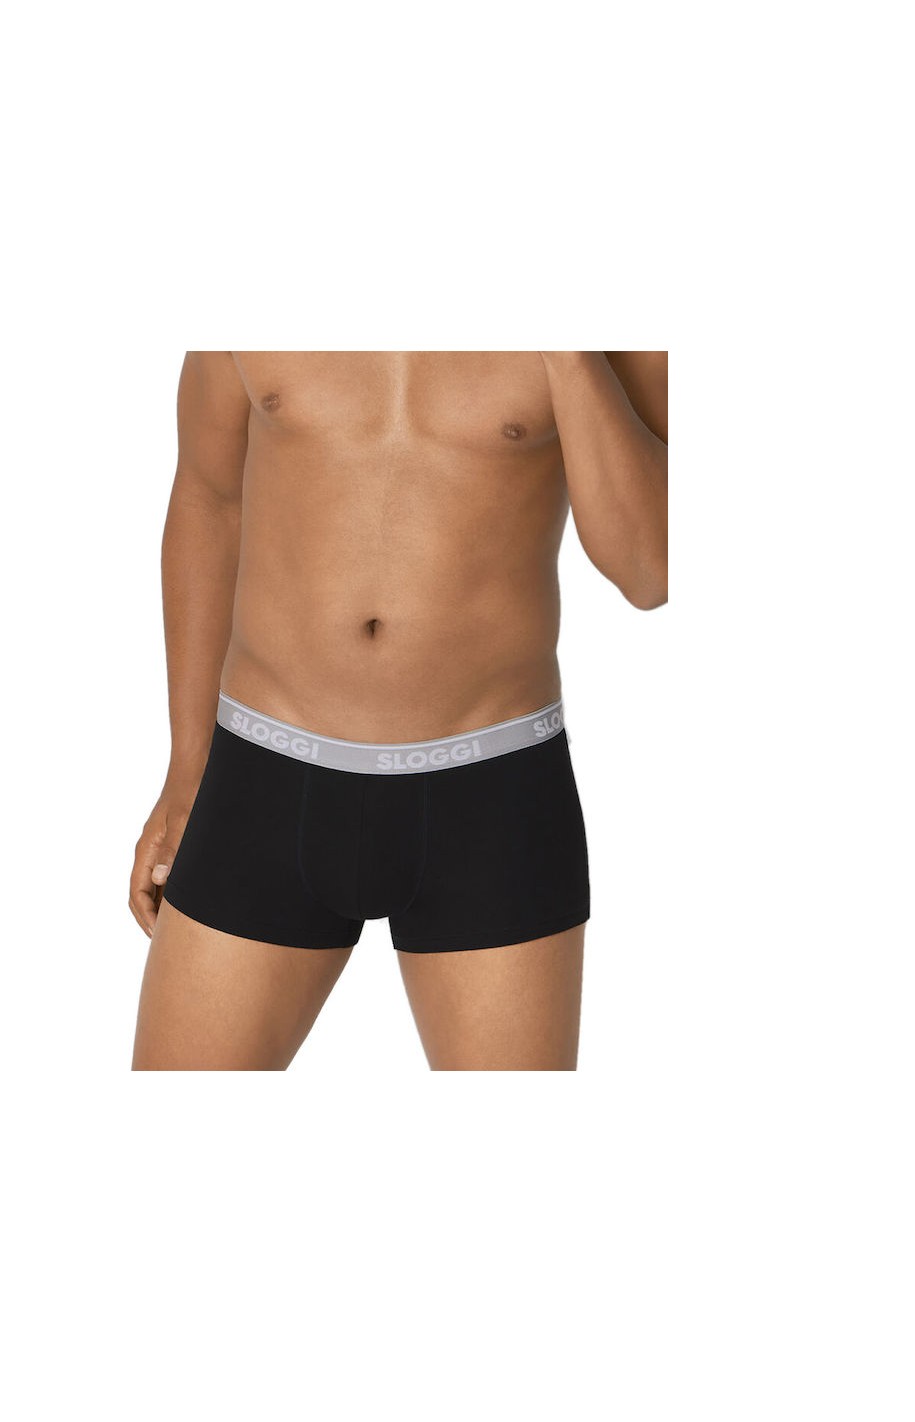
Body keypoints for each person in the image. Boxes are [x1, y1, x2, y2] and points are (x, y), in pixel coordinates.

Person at [130, 351, 667, 1071]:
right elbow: (210, 497)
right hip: (264, 778)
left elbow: (650, 570)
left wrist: (567, 349)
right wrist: (186, 768)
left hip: (492, 792)